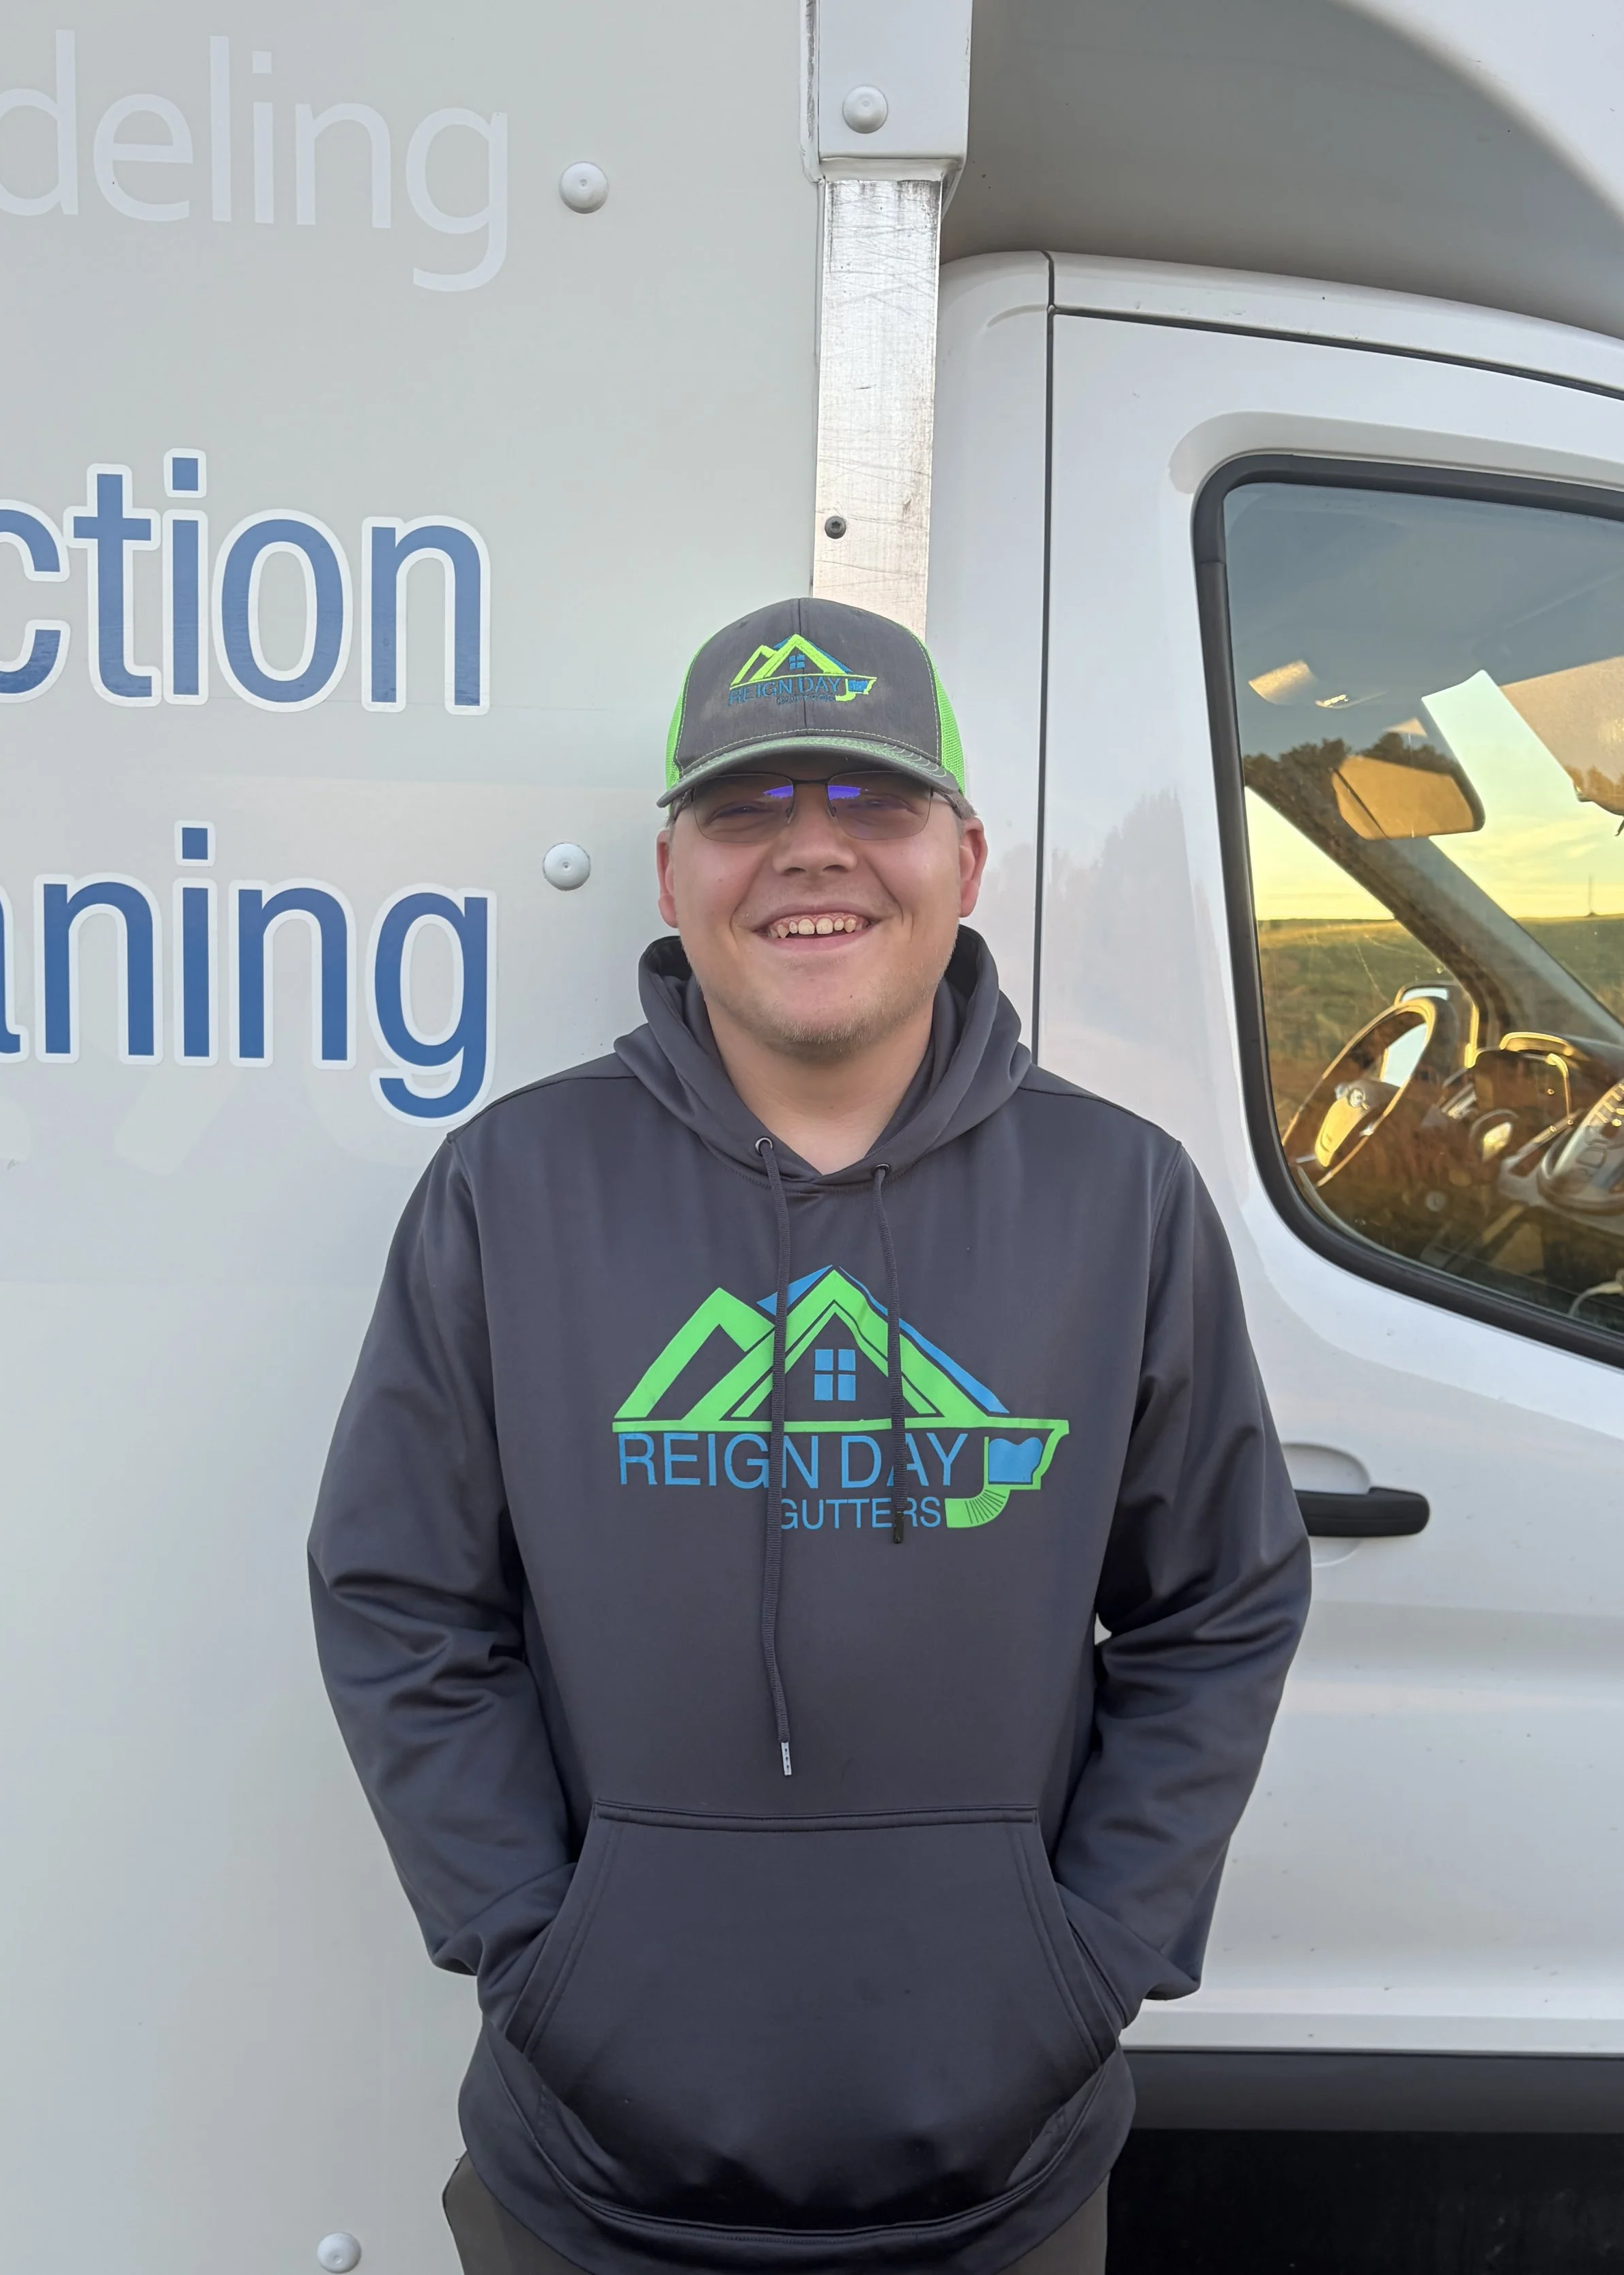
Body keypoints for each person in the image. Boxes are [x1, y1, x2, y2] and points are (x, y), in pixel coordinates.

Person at [308, 597, 1311, 2275]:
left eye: (871, 800)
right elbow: (400, 1596)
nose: (810, 849)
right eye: (745, 807)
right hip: (589, 2184)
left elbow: (1218, 1606)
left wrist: (1083, 1958)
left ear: (964, 858)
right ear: (669, 872)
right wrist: (540, 1950)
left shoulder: (1117, 1197)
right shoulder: (513, 1185)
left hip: (1001, 2186)